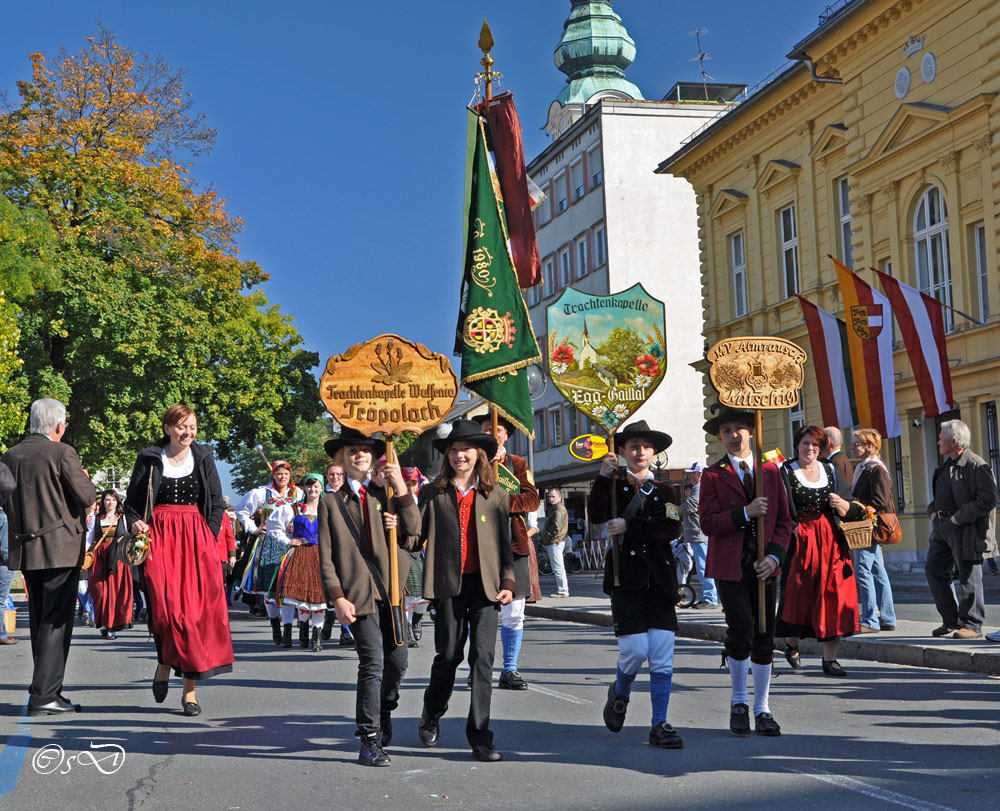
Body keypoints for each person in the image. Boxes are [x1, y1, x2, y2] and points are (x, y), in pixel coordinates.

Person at [412, 420, 514, 763]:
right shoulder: (432, 492)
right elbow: (413, 539)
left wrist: (509, 582)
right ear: (448, 456)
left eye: (465, 450)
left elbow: (504, 546)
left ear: (478, 454)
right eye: (454, 451)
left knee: (483, 661)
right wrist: (399, 520)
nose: (459, 456)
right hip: (448, 586)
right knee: (449, 657)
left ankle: (481, 736)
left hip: (486, 587)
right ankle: (432, 710)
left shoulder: (496, 494)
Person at [317, 429, 420, 767]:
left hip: (391, 592)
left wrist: (400, 491)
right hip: (358, 595)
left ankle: (384, 709)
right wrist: (337, 597)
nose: (359, 456)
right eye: (352, 452)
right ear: (341, 460)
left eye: (365, 451)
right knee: (372, 663)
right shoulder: (331, 503)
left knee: (398, 663)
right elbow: (327, 557)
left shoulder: (385, 494)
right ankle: (369, 739)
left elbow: (414, 531)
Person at [125, 404, 234, 716]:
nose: (189, 433)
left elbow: (215, 504)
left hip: (195, 541)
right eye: (182, 427)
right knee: (166, 612)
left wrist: (208, 537)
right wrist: (136, 523)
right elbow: (132, 504)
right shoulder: (149, 457)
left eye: (193, 427)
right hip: (159, 540)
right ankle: (163, 663)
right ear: (167, 428)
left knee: (194, 617)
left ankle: (189, 693)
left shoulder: (203, 457)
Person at [588, 420, 684, 749]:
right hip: (625, 579)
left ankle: (660, 724)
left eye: (645, 446)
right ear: (622, 452)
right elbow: (596, 515)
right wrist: (602, 476)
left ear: (654, 452)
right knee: (634, 651)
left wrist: (628, 525)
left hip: (659, 580)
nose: (639, 452)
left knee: (661, 656)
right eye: (633, 447)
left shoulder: (665, 490)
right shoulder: (612, 486)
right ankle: (620, 691)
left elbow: (670, 527)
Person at [699, 404, 793, 737]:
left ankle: (762, 707)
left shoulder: (771, 471)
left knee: (765, 634)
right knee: (741, 628)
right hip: (731, 565)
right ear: (720, 438)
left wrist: (776, 557)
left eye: (740, 428)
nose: (734, 435)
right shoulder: (712, 474)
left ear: (751, 432)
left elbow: (785, 521)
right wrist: (745, 512)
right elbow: (708, 523)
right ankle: (739, 700)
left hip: (765, 565)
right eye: (727, 431)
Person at [1, 398, 96, 715]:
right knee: (56, 623)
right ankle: (45, 695)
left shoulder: (10, 455)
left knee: (41, 622)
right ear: (59, 425)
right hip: (61, 548)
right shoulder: (62, 452)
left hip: (27, 549)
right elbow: (86, 496)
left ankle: (46, 689)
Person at [775, 426, 860, 676]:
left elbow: (850, 504)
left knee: (833, 594)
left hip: (832, 541)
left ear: (821, 447)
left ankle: (830, 660)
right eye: (805, 443)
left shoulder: (830, 470)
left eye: (814, 444)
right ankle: (792, 645)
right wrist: (793, 533)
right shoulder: (785, 471)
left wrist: (844, 505)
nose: (809, 448)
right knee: (798, 595)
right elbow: (781, 509)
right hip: (801, 541)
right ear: (797, 445)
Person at [474, 413, 541, 690]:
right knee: (478, 610)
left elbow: (532, 499)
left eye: (497, 430)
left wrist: (500, 502)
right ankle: (478, 666)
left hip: (514, 544)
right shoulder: (471, 463)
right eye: (487, 429)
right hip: (479, 545)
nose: (493, 434)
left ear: (507, 436)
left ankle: (510, 668)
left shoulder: (518, 464)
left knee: (515, 611)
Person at [925, 419, 998, 639]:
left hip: (966, 528)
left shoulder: (975, 464)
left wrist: (959, 517)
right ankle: (951, 620)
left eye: (941, 437)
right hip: (942, 528)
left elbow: (988, 499)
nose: (938, 441)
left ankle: (973, 625)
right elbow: (940, 496)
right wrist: (932, 510)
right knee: (934, 568)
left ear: (954, 441)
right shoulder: (946, 465)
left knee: (969, 576)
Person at [235, 460, 302, 647]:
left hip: (290, 543)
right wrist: (253, 528)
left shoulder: (298, 494)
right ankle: (275, 627)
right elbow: (241, 511)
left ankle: (288, 632)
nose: (282, 477)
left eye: (286, 474)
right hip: (268, 545)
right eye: (279, 473)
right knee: (268, 588)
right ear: (273, 475)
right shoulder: (260, 493)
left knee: (287, 588)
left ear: (290, 476)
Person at [849, 428, 898, 634]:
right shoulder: (863, 467)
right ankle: (887, 617)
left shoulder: (875, 469)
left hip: (869, 526)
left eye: (857, 443)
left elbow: (880, 501)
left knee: (863, 570)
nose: (853, 447)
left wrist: (853, 504)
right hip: (866, 525)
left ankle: (870, 619)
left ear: (870, 446)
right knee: (877, 571)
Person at [276, 473, 328, 651]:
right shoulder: (295, 508)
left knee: (319, 599)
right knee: (299, 598)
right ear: (305, 488)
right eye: (309, 485)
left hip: (321, 555)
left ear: (322, 488)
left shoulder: (328, 508)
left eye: (316, 486)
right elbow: (273, 525)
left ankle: (317, 639)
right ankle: (301, 632)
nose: (312, 489)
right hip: (300, 555)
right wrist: (288, 540)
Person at [86, 490, 133, 639]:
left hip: (116, 559)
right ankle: (104, 622)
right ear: (103, 502)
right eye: (107, 500)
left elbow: (129, 535)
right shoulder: (96, 519)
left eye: (113, 499)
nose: (110, 502)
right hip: (100, 558)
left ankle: (109, 626)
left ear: (118, 502)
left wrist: (123, 541)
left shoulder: (123, 518)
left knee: (114, 593)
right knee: (99, 592)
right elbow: (89, 538)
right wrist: (83, 555)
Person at [679, 461, 717, 609]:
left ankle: (710, 598)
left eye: (692, 474)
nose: (689, 477)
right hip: (699, 533)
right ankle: (708, 597)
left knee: (704, 567)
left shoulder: (699, 488)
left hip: (699, 533)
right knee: (704, 567)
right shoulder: (701, 487)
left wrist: (676, 509)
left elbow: (691, 506)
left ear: (699, 475)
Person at [400, 466, 430, 647]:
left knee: (423, 594)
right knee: (406, 595)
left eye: (413, 483)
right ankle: (408, 629)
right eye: (406, 483)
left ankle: (418, 617)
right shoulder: (394, 500)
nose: (410, 487)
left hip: (421, 549)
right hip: (403, 549)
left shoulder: (422, 500)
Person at [538, 488, 569, 597]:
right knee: (558, 566)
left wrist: (546, 536)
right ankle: (562, 590)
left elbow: (556, 527)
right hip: (556, 540)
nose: (551, 499)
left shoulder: (558, 510)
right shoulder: (556, 509)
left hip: (555, 541)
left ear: (559, 497)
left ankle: (563, 591)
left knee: (558, 566)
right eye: (549, 497)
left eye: (553, 496)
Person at [1, 462, 18, 646]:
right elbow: (5, 548)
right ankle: (1, 633)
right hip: (3, 564)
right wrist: (12, 561)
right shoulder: (4, 517)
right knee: (0, 599)